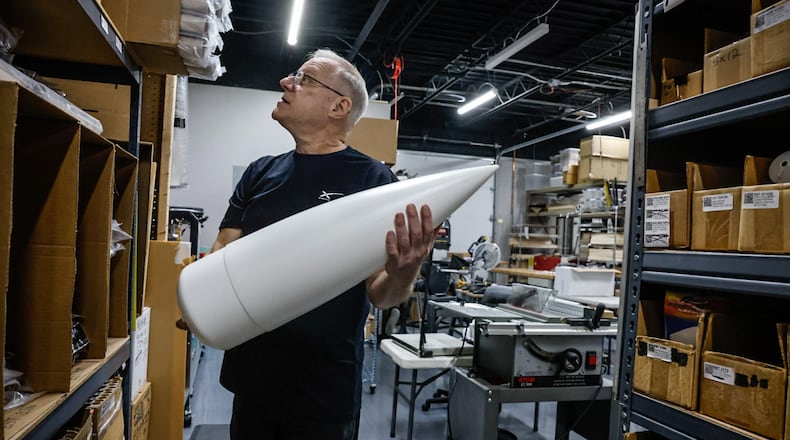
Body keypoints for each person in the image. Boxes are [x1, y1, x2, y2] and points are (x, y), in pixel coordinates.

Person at [209, 49, 436, 439]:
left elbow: (382, 296)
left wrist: (405, 271)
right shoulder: (260, 172)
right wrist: (205, 301)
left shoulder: (373, 181)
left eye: (304, 79)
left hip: (323, 392)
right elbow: (223, 254)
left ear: (339, 106)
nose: (286, 82)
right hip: (252, 381)